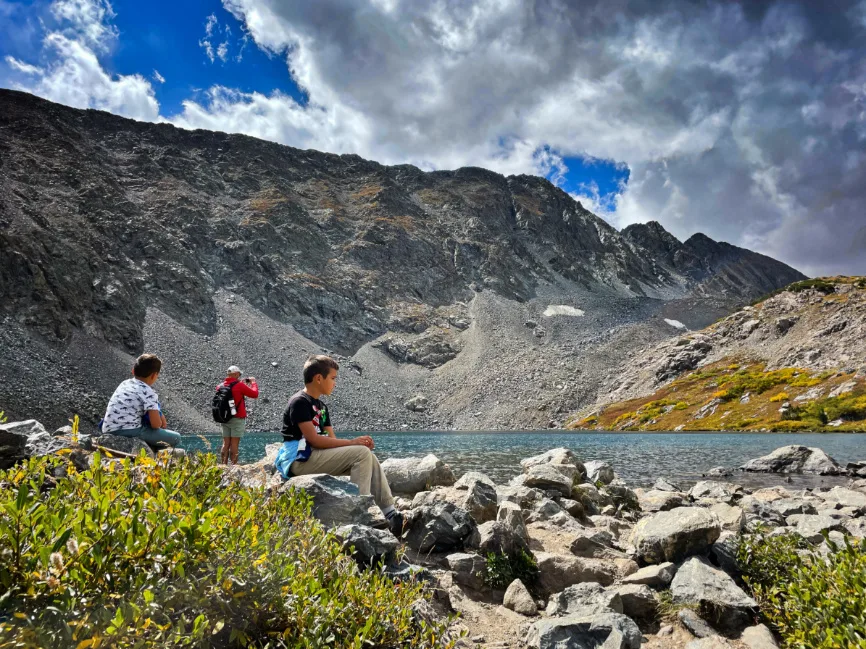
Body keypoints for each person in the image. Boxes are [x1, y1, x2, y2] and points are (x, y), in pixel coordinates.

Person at [275, 355, 404, 535]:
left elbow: (331, 439)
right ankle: (360, 514)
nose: (335, 383)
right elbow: (314, 439)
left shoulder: (321, 407)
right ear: (318, 378)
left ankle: (390, 513)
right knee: (360, 453)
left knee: (368, 456)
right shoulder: (299, 402)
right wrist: (353, 444)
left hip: (315, 456)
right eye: (333, 378)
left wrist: (356, 445)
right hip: (299, 460)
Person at [102, 353, 181, 448]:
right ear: (154, 375)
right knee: (176, 437)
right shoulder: (149, 392)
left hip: (107, 428)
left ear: (133, 371)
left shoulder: (124, 384)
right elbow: (156, 425)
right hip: (129, 430)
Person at [217, 365, 259, 465]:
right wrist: (253, 382)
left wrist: (240, 382)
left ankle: (223, 466)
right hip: (237, 418)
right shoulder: (240, 386)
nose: (239, 376)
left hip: (224, 418)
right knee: (234, 444)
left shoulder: (220, 386)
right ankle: (234, 467)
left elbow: (232, 388)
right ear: (235, 374)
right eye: (239, 375)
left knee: (225, 443)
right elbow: (255, 394)